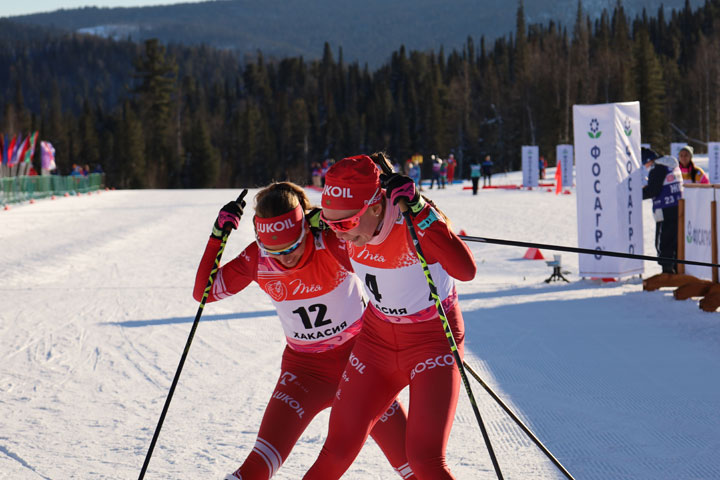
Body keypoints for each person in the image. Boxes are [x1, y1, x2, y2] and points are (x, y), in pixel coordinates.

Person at [193, 182, 414, 480]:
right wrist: (217, 237)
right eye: (274, 250)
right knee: (257, 466)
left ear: (305, 230)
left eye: (293, 245)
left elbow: (384, 251)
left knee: (415, 466)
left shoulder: (330, 243)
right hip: (304, 372)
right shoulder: (257, 258)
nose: (285, 257)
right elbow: (204, 293)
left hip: (362, 366)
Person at [304, 153, 477, 479]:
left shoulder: (413, 222)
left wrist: (422, 211)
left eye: (345, 223)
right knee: (337, 447)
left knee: (425, 460)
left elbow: (465, 270)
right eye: (329, 223)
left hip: (432, 341)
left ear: (374, 205)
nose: (338, 233)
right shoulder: (344, 232)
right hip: (376, 341)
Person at [642, 148, 683, 274]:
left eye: (645, 163)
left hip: (665, 208)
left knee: (663, 239)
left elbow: (653, 190)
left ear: (649, 160)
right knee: (676, 239)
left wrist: (633, 194)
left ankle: (667, 270)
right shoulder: (670, 164)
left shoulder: (657, 168)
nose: (645, 166)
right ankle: (676, 267)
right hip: (678, 206)